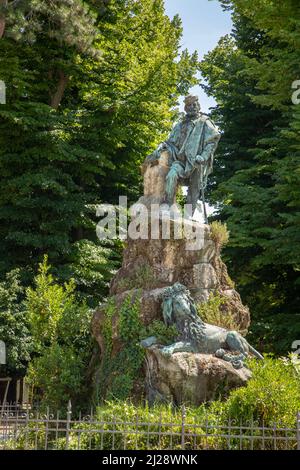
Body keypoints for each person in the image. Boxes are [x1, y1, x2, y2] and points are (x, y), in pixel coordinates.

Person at [144, 95, 220, 219]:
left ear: (198, 106)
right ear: (185, 108)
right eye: (189, 105)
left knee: (194, 188)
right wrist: (161, 146)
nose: (192, 107)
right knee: (171, 176)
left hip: (197, 161)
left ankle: (188, 215)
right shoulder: (180, 125)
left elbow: (212, 142)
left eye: (194, 105)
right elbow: (170, 143)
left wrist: (203, 156)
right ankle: (168, 207)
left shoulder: (205, 122)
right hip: (180, 161)